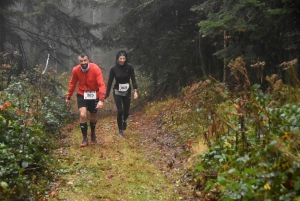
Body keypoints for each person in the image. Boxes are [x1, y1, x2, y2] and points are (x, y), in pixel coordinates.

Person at [66, 53, 106, 147]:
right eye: (81, 61)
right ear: (78, 61)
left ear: (88, 60)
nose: (83, 63)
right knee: (83, 114)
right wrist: (68, 97)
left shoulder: (95, 68)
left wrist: (101, 99)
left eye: (85, 61)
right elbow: (72, 84)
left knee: (93, 116)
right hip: (82, 94)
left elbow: (101, 84)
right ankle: (84, 138)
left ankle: (92, 134)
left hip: (94, 94)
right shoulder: (76, 70)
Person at [105, 50, 138, 137]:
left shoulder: (129, 67)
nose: (122, 60)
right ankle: (120, 130)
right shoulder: (113, 68)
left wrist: (135, 91)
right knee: (120, 110)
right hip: (117, 91)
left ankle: (124, 121)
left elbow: (133, 79)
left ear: (126, 59)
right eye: (120, 58)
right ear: (117, 59)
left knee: (126, 111)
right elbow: (109, 82)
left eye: (124, 58)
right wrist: (107, 95)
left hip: (127, 91)